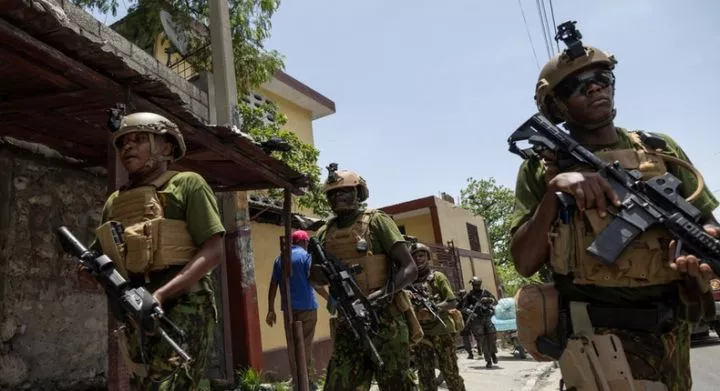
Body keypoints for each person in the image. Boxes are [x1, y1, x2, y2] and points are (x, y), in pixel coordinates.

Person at [510, 21, 719, 390]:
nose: (593, 87)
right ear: (555, 104)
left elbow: (704, 221)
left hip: (673, 331)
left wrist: (701, 243)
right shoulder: (541, 168)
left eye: (601, 78)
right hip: (596, 338)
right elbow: (525, 262)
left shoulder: (658, 148)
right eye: (576, 85)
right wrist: (555, 190)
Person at [88, 112, 225, 390]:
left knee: (171, 385)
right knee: (143, 383)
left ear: (166, 147)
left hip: (185, 306)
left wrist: (161, 294)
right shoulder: (116, 201)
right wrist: (89, 272)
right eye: (123, 142)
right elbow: (98, 254)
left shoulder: (188, 184)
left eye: (138, 139)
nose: (127, 146)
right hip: (135, 311)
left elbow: (213, 250)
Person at [309, 164, 420, 391]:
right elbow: (316, 279)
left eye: (344, 191)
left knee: (396, 383)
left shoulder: (377, 221)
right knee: (339, 384)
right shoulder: (323, 233)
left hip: (386, 318)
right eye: (333, 193)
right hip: (348, 320)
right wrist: (321, 270)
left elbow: (409, 268)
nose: (338, 196)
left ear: (358, 193)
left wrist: (378, 296)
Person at [266, 229, 330, 386]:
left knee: (292, 344)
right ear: (304, 242)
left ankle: (297, 378)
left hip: (288, 310)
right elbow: (315, 283)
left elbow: (273, 285)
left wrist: (270, 309)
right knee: (305, 344)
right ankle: (305, 381)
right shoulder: (306, 258)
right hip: (307, 308)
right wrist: (329, 298)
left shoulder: (280, 259)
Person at [409, 243, 466, 391]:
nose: (418, 259)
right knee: (424, 374)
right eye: (414, 256)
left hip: (441, 330)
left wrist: (434, 307)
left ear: (428, 257)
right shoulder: (408, 282)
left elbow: (452, 301)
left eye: (421, 255)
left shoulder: (437, 277)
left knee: (450, 371)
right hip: (421, 334)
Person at [458, 277, 497, 368]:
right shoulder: (469, 295)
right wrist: (470, 312)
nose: (476, 286)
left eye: (476, 284)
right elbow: (463, 307)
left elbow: (495, 301)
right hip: (477, 321)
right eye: (474, 285)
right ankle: (488, 360)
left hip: (487, 317)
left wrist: (488, 300)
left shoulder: (485, 292)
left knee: (492, 336)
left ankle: (493, 353)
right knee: (482, 340)